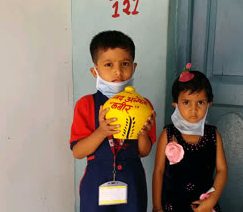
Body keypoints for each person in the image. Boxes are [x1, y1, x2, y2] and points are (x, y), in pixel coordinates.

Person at [70, 30, 156, 212]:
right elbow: (77, 152)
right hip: (96, 183)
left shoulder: (144, 106)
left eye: (125, 63)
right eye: (108, 64)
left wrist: (143, 134)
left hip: (133, 183)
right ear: (95, 71)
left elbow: (144, 151)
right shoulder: (86, 104)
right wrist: (102, 131)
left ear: (134, 67)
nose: (118, 71)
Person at [152, 63, 227, 212]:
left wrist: (212, 200)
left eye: (200, 102)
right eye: (186, 102)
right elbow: (159, 171)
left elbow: (222, 170)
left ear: (208, 104)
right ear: (176, 105)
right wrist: (156, 207)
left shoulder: (213, 135)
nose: (194, 109)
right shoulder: (168, 134)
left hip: (204, 207)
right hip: (173, 206)